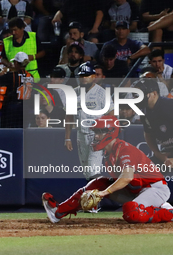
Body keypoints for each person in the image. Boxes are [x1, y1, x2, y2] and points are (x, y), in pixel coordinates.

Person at [43, 115, 173, 224]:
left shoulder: (124, 150)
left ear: (111, 132)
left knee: (131, 212)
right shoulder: (109, 154)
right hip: (137, 190)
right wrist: (100, 190)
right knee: (98, 182)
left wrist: (104, 193)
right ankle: (58, 212)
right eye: (95, 132)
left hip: (155, 188)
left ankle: (168, 213)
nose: (96, 136)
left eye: (99, 132)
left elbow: (127, 177)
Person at [64, 62, 114, 181]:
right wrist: (67, 137)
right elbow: (69, 116)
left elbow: (111, 115)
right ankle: (93, 197)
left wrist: (107, 136)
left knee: (93, 170)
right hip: (81, 134)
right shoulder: (74, 93)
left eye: (87, 75)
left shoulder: (102, 93)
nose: (84, 79)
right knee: (86, 171)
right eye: (82, 76)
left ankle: (96, 197)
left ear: (93, 76)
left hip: (97, 135)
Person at [134, 78, 173, 168]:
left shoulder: (169, 106)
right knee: (144, 170)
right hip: (167, 150)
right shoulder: (144, 111)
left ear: (154, 94)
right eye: (136, 95)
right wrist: (157, 153)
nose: (137, 98)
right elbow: (148, 134)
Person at [0, 51, 34, 128]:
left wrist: (2, 72)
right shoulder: (31, 76)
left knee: (11, 129)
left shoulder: (10, 75)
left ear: (16, 63)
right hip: (27, 106)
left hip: (12, 106)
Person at [1, 17, 45, 82]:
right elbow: (3, 58)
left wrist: (32, 57)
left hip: (33, 75)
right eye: (11, 30)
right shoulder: (7, 41)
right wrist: (8, 64)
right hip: (15, 76)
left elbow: (43, 52)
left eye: (15, 30)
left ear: (22, 28)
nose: (13, 33)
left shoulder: (33, 37)